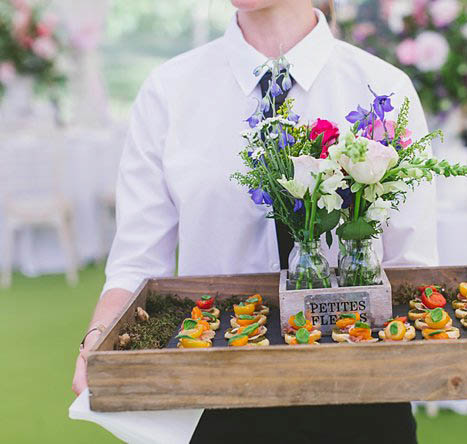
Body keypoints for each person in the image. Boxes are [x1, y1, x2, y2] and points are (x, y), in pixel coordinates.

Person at [73, 1, 437, 442]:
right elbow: (135, 264)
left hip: (364, 392)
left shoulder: (384, 88)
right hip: (215, 398)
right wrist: (98, 336)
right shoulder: (168, 92)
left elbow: (412, 268)